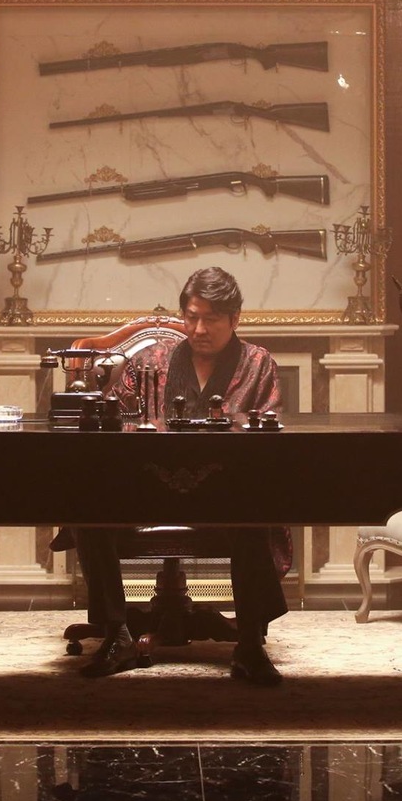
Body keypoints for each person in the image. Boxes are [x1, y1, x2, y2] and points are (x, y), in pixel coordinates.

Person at [72, 266, 290, 686]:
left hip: (226, 492)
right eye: (191, 317)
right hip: (148, 486)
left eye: (211, 319)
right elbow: (118, 423)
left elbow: (269, 435)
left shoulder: (257, 364)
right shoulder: (151, 361)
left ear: (235, 318)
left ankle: (249, 644)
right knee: (88, 507)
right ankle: (117, 633)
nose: (199, 329)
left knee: (255, 510)